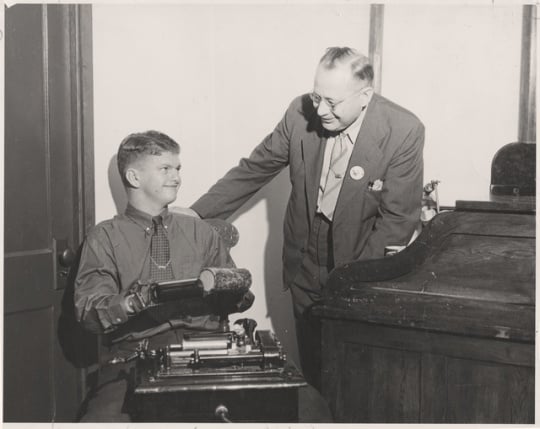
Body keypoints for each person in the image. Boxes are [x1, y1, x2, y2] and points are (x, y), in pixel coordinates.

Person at [187, 47, 425, 391]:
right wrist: (196, 214)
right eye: (317, 96)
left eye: (332, 102)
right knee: (314, 370)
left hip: (361, 258)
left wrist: (352, 282)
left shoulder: (403, 130)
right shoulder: (300, 114)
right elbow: (256, 168)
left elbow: (398, 219)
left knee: (352, 376)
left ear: (365, 96)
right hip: (305, 257)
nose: (320, 110)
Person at [74, 130, 250, 421]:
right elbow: (87, 312)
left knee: (299, 407)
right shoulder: (104, 237)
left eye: (178, 168)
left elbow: (236, 297)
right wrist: (130, 303)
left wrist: (236, 293)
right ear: (134, 177)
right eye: (165, 168)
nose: (177, 177)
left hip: (205, 350)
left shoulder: (200, 231)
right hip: (135, 358)